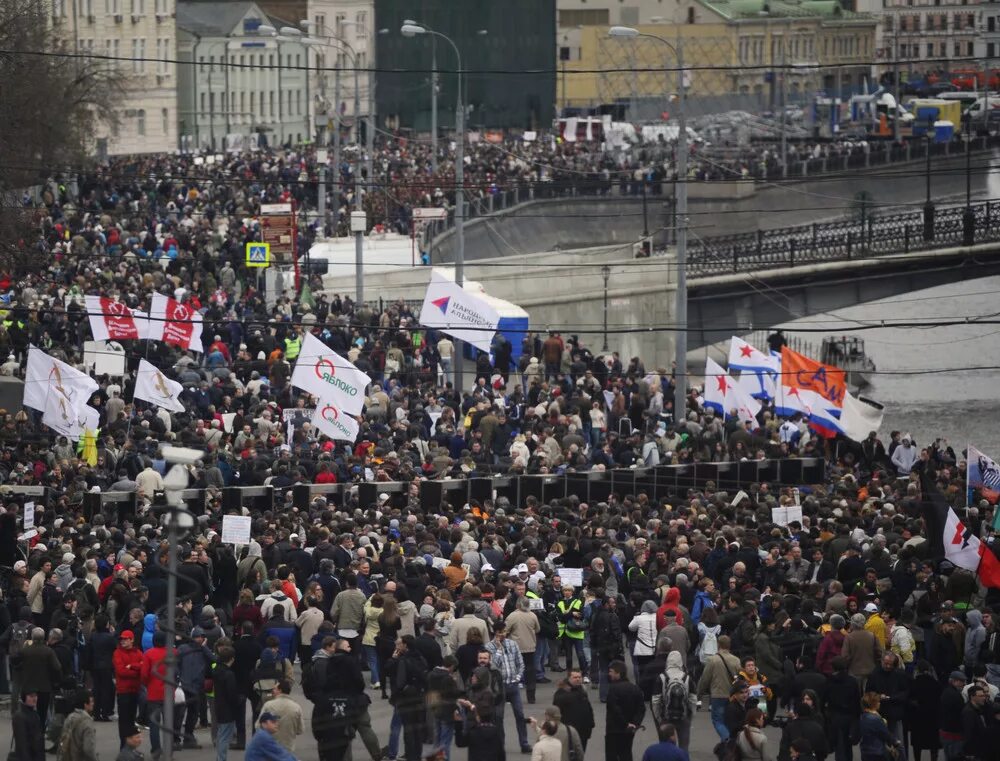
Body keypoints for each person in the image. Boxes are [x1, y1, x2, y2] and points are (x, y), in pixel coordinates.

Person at [486, 621, 531, 753]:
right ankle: (501, 745)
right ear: (495, 633)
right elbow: (493, 666)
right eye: (500, 632)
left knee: (520, 714)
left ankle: (524, 743)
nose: (503, 634)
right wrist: (499, 649)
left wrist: (518, 678)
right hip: (499, 687)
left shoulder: (512, 644)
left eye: (505, 632)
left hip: (513, 685)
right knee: (498, 717)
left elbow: (520, 663)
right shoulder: (489, 647)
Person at [697, 635, 742, 741]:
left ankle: (727, 740)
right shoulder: (736, 660)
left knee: (718, 721)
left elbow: (705, 679)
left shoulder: (712, 660)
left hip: (718, 694)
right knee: (729, 721)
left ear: (718, 644)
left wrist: (699, 695)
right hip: (733, 695)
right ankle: (729, 745)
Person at [651, 651, 696, 750]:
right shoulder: (687, 678)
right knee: (684, 747)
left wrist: (659, 718)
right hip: (683, 717)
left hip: (666, 717)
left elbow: (655, 700)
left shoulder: (662, 677)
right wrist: (690, 717)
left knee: (667, 749)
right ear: (681, 662)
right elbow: (693, 699)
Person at [605, 660, 646, 761]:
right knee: (626, 753)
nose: (609, 674)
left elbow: (614, 709)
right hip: (629, 731)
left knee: (612, 755)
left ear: (618, 673)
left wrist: (625, 723)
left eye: (611, 671)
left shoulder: (613, 689)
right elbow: (641, 708)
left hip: (614, 730)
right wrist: (635, 723)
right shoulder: (635, 689)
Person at [113, 630, 144, 749]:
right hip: (123, 691)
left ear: (132, 640)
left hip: (134, 690)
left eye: (125, 639)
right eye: (122, 639)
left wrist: (131, 666)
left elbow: (143, 666)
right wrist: (136, 671)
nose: (123, 641)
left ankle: (130, 745)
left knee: (131, 719)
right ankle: (124, 745)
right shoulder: (117, 653)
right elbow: (121, 671)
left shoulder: (138, 653)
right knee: (124, 720)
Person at [553, 670, 596, 751]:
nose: (578, 679)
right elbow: (556, 710)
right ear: (569, 678)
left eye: (579, 677)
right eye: (575, 677)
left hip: (583, 731)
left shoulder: (582, 690)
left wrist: (591, 723)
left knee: (581, 753)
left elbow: (588, 707)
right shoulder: (562, 692)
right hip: (569, 731)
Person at [258, 679, 304, 753]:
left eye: (275, 689)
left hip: (270, 747)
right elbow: (300, 730)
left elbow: (258, 726)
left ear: (280, 690)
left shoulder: (268, 705)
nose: (272, 690)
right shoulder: (296, 707)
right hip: (288, 748)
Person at [213, 645, 241, 761]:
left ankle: (219, 758)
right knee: (225, 737)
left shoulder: (217, 670)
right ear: (232, 659)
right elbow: (232, 694)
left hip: (219, 705)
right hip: (228, 709)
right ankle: (221, 759)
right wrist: (238, 701)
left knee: (221, 735)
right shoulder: (229, 674)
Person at [858, 693, 901, 761]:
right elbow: (885, 734)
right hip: (877, 752)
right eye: (878, 702)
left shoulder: (862, 717)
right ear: (873, 704)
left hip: (865, 751)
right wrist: (895, 742)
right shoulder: (876, 719)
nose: (879, 703)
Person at [58, 689, 98, 761]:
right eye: (91, 701)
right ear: (85, 705)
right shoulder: (88, 723)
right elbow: (89, 749)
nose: (93, 704)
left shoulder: (69, 717)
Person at [960, 684, 996, 760]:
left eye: (984, 695)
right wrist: (969, 752)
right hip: (975, 752)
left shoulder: (979, 708)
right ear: (972, 697)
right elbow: (968, 734)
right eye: (981, 696)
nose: (984, 698)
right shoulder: (969, 712)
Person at [938, 670, 967, 761]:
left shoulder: (947, 691)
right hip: (953, 733)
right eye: (961, 681)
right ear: (954, 681)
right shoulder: (954, 695)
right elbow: (960, 713)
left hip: (946, 731)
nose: (964, 684)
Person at [12, 691, 45, 761]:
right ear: (24, 697)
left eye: (35, 696)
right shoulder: (19, 717)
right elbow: (22, 744)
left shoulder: (34, 714)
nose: (34, 699)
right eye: (31, 696)